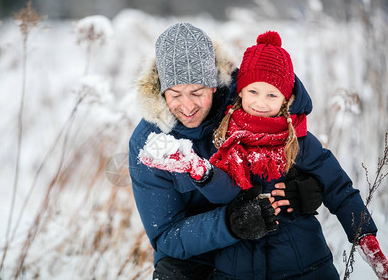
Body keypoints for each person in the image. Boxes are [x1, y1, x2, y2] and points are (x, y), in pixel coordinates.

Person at [129, 22, 324, 279]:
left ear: (213, 84)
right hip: (197, 255)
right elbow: (165, 236)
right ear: (161, 91)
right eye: (175, 94)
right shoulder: (149, 142)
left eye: (197, 92)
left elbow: (287, 102)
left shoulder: (247, 100)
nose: (187, 106)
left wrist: (308, 186)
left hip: (265, 231)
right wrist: (228, 223)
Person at [201, 31, 387, 279]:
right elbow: (210, 193)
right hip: (237, 266)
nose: (261, 103)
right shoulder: (223, 138)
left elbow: (338, 188)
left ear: (286, 99)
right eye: (253, 91)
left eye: (272, 95)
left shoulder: (298, 141)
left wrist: (364, 235)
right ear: (240, 92)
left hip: (302, 264)